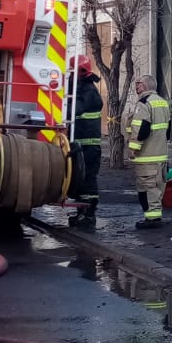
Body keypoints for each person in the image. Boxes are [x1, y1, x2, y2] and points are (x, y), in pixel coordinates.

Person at [127, 74, 172, 229]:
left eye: (138, 84)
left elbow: (142, 128)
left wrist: (133, 148)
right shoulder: (163, 102)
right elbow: (168, 130)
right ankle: (154, 217)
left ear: (145, 86)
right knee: (158, 187)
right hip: (161, 155)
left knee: (147, 188)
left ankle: (152, 220)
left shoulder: (144, 103)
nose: (136, 87)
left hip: (147, 156)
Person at [72, 58, 104, 226]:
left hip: (88, 146)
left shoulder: (88, 91)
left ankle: (89, 214)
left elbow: (75, 109)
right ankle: (82, 213)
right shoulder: (84, 88)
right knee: (80, 179)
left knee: (88, 179)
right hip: (82, 145)